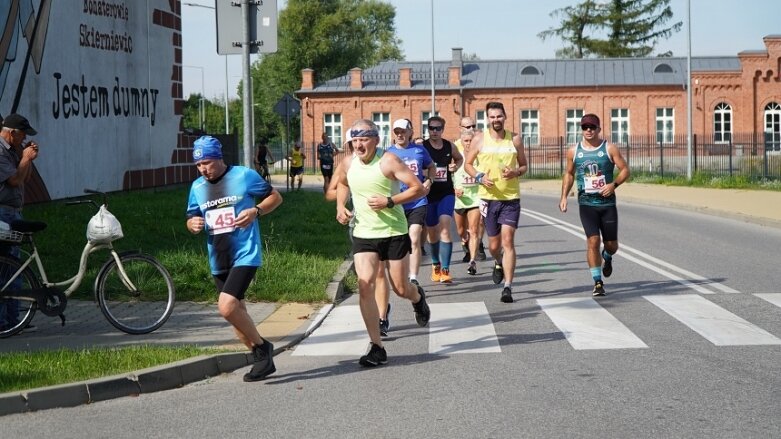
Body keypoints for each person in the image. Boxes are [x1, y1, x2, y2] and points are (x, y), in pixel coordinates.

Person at [186, 135, 283, 382]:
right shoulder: (197, 187)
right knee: (236, 314)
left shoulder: (243, 175)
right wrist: (193, 224)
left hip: (245, 253)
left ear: (219, 158)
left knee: (226, 306)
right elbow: (192, 217)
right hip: (218, 257)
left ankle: (263, 348)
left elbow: (275, 197)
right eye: (198, 165)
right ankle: (262, 360)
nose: (203, 169)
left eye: (206, 162)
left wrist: (256, 211)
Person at [335, 119, 431, 367]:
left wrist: (390, 201)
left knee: (400, 288)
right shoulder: (347, 162)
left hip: (392, 231)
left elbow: (417, 188)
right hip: (363, 233)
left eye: (363, 140)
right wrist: (340, 206)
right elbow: (343, 184)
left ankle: (417, 298)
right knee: (365, 284)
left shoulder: (388, 161)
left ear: (376, 140)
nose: (358, 145)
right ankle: (377, 346)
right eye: (354, 141)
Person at [559, 114, 630, 296]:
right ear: (581, 130)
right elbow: (569, 174)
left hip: (607, 204)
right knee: (593, 241)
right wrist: (564, 197)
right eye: (585, 127)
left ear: (599, 129)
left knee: (611, 245)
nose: (588, 130)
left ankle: (607, 256)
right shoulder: (574, 151)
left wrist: (613, 185)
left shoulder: (609, 148)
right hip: (586, 204)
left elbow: (625, 170)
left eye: (592, 127)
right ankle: (597, 282)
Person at [464, 102, 528, 303]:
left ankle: (508, 287)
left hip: (510, 198)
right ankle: (498, 261)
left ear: (505, 116)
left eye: (499, 116)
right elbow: (467, 164)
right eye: (492, 117)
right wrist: (479, 177)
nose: (496, 120)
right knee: (493, 245)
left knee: (508, 241)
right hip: (488, 198)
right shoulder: (479, 139)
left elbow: (524, 165)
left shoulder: (515, 139)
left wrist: (516, 171)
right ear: (487, 118)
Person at [0, 114, 39, 332]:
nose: (24, 139)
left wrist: (28, 159)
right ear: (12, 132)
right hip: (2, 214)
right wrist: (24, 158)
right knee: (6, 268)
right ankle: (3, 322)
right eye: (22, 134)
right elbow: (14, 180)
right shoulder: (0, 151)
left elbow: (25, 177)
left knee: (16, 268)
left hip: (14, 212)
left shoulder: (14, 149)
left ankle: (14, 320)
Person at [387, 118, 435, 290]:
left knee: (415, 236)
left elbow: (431, 167)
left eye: (402, 131)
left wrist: (429, 181)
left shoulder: (419, 150)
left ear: (410, 132)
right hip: (397, 202)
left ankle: (413, 278)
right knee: (401, 241)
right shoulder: (388, 153)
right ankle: (402, 274)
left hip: (417, 200)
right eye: (396, 132)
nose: (399, 134)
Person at [423, 116, 463, 284]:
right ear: (428, 129)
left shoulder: (449, 146)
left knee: (445, 228)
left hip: (446, 192)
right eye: (431, 128)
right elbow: (415, 165)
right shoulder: (422, 147)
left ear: (443, 129)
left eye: (438, 128)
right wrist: (424, 174)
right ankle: (435, 264)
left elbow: (459, 158)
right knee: (432, 232)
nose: (435, 131)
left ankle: (445, 270)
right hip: (429, 193)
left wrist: (455, 166)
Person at [454, 117, 486, 263]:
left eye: (473, 126)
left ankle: (477, 246)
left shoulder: (480, 147)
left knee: (477, 224)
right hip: (460, 197)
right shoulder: (454, 148)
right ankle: (466, 242)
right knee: (461, 230)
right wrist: (454, 188)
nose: (470, 128)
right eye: (466, 126)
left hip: (477, 195)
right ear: (460, 128)